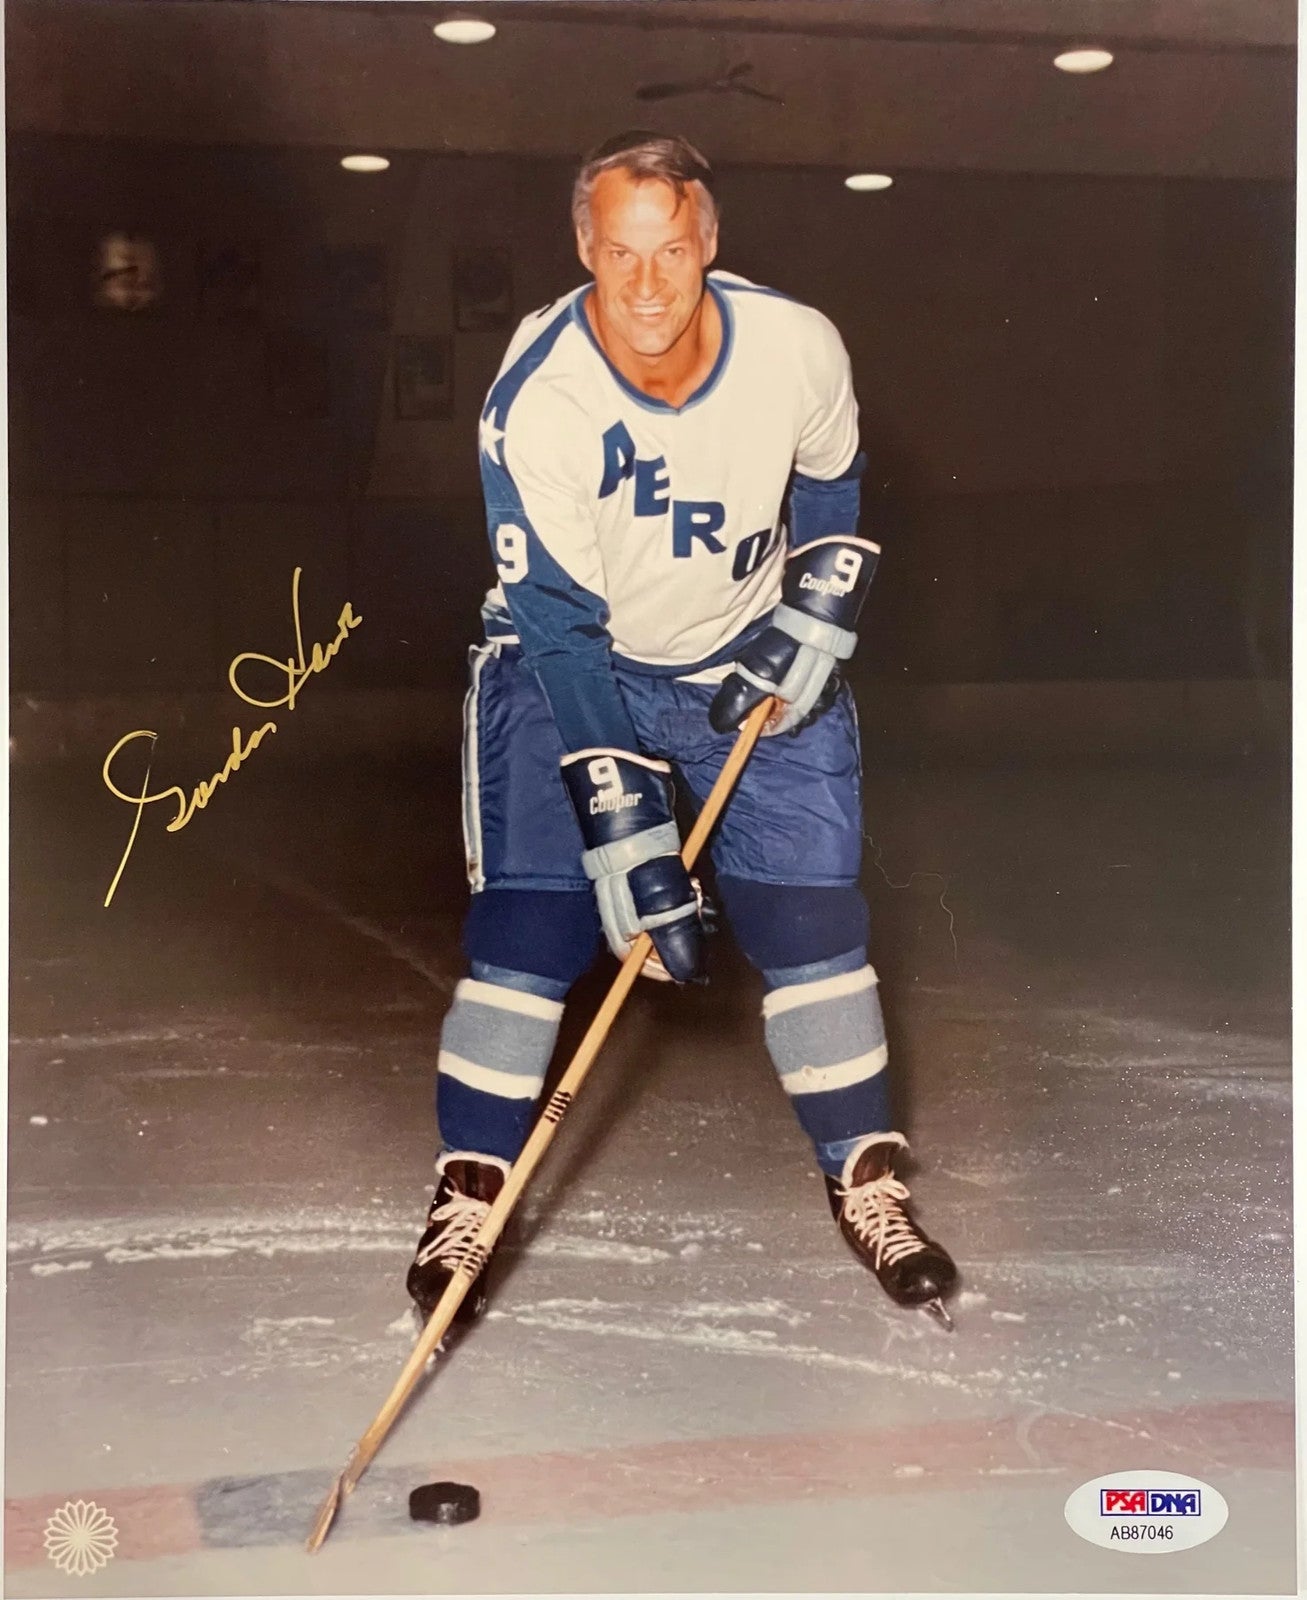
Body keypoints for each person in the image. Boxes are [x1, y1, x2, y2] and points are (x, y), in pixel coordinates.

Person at [407, 130, 958, 1331]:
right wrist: (624, 826)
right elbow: (560, 628)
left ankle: (864, 1177)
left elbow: (830, 477)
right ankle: (469, 1189)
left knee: (811, 918)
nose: (647, 283)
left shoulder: (796, 346)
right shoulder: (537, 399)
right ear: (582, 248)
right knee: (533, 925)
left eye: (670, 250)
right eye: (620, 253)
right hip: (567, 659)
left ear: (707, 239)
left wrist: (815, 606)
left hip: (741, 655)